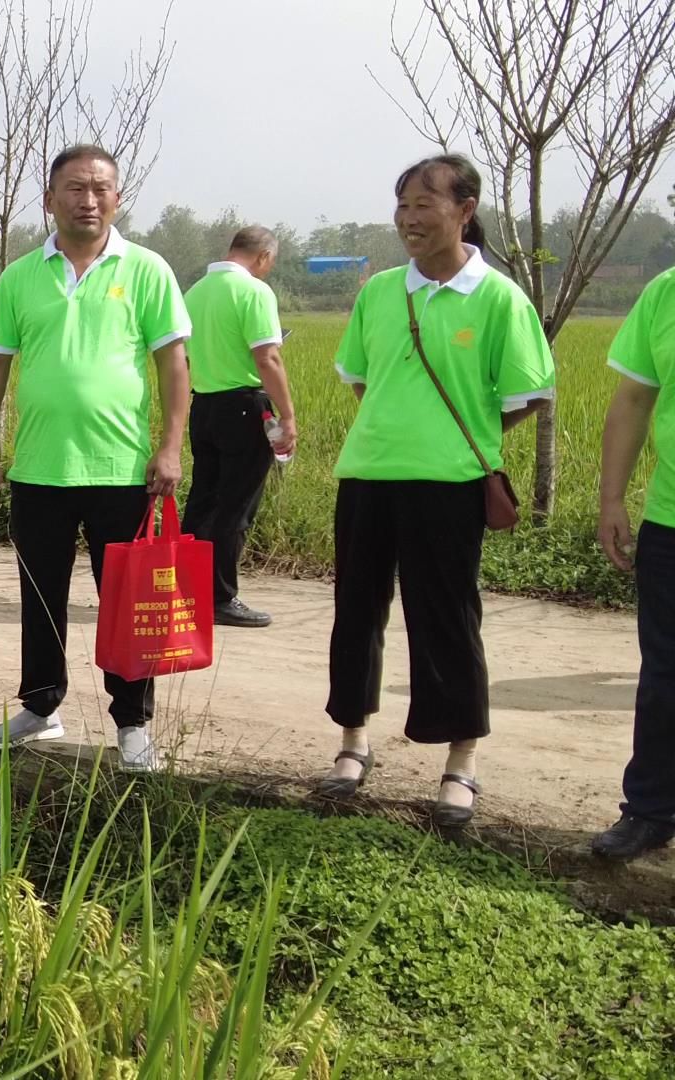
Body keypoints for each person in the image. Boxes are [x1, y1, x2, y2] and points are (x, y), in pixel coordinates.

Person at [317, 154, 554, 826]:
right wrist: (396, 423)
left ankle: (460, 763)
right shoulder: (379, 292)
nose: (411, 218)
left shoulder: (499, 298)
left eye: (426, 204)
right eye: (403, 205)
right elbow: (364, 377)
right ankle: (352, 744)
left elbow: (526, 395)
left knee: (446, 618)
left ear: (465, 209)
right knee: (356, 612)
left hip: (450, 482)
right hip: (368, 473)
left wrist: (458, 435)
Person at [0, 146, 191, 773]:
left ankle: (133, 722)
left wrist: (171, 446)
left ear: (117, 198)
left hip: (122, 470)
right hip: (39, 470)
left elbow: (174, 365)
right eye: (74, 189)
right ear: (50, 198)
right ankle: (41, 705)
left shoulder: (146, 270)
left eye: (100, 189)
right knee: (40, 596)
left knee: (127, 602)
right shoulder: (20, 278)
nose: (88, 200)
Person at [591, 265, 675, 860]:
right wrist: (613, 498)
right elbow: (633, 400)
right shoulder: (666, 292)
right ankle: (650, 810)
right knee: (665, 676)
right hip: (671, 520)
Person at [182, 226, 298, 628]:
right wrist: (288, 415)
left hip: (204, 405)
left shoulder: (194, 293)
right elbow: (267, 358)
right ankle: (220, 597)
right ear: (263, 257)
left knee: (203, 502)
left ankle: (188, 592)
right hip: (245, 407)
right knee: (237, 506)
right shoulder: (254, 292)